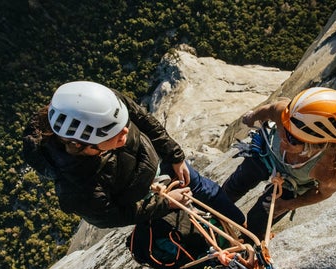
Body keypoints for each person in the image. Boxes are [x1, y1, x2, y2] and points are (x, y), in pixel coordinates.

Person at [22, 81, 245, 228]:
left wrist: (174, 155)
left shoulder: (102, 105)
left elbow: (142, 118)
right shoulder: (79, 190)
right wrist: (164, 205)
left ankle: (242, 228)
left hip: (162, 163)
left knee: (210, 192)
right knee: (189, 231)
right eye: (114, 133)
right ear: (84, 146)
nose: (126, 132)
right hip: (146, 198)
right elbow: (113, 216)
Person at [222, 87, 336, 239]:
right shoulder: (287, 113)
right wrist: (252, 117)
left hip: (292, 181)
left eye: (292, 139)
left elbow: (323, 193)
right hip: (266, 153)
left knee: (258, 221)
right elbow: (271, 109)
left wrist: (289, 204)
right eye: (285, 127)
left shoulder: (330, 170)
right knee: (234, 187)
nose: (283, 137)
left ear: (316, 145)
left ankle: (252, 238)